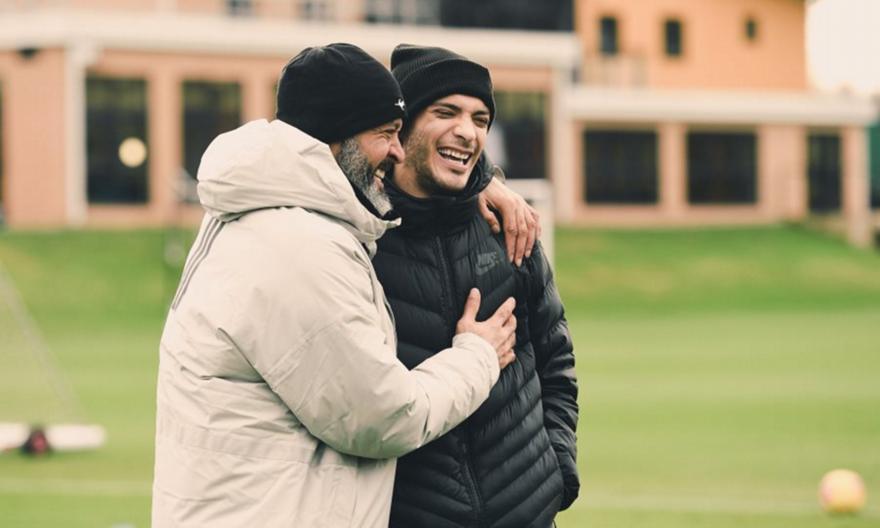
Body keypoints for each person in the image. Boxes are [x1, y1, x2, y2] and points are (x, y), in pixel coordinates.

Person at [151, 43, 527, 527]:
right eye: (385, 134)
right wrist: (477, 355)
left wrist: (475, 183)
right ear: (335, 138)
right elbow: (383, 417)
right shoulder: (295, 246)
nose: (396, 152)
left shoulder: (273, 209)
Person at [372, 44, 580, 528]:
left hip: (529, 513)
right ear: (400, 128)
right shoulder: (361, 243)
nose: (468, 131)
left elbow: (556, 360)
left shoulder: (511, 230)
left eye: (480, 118)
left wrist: (557, 470)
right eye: (446, 112)